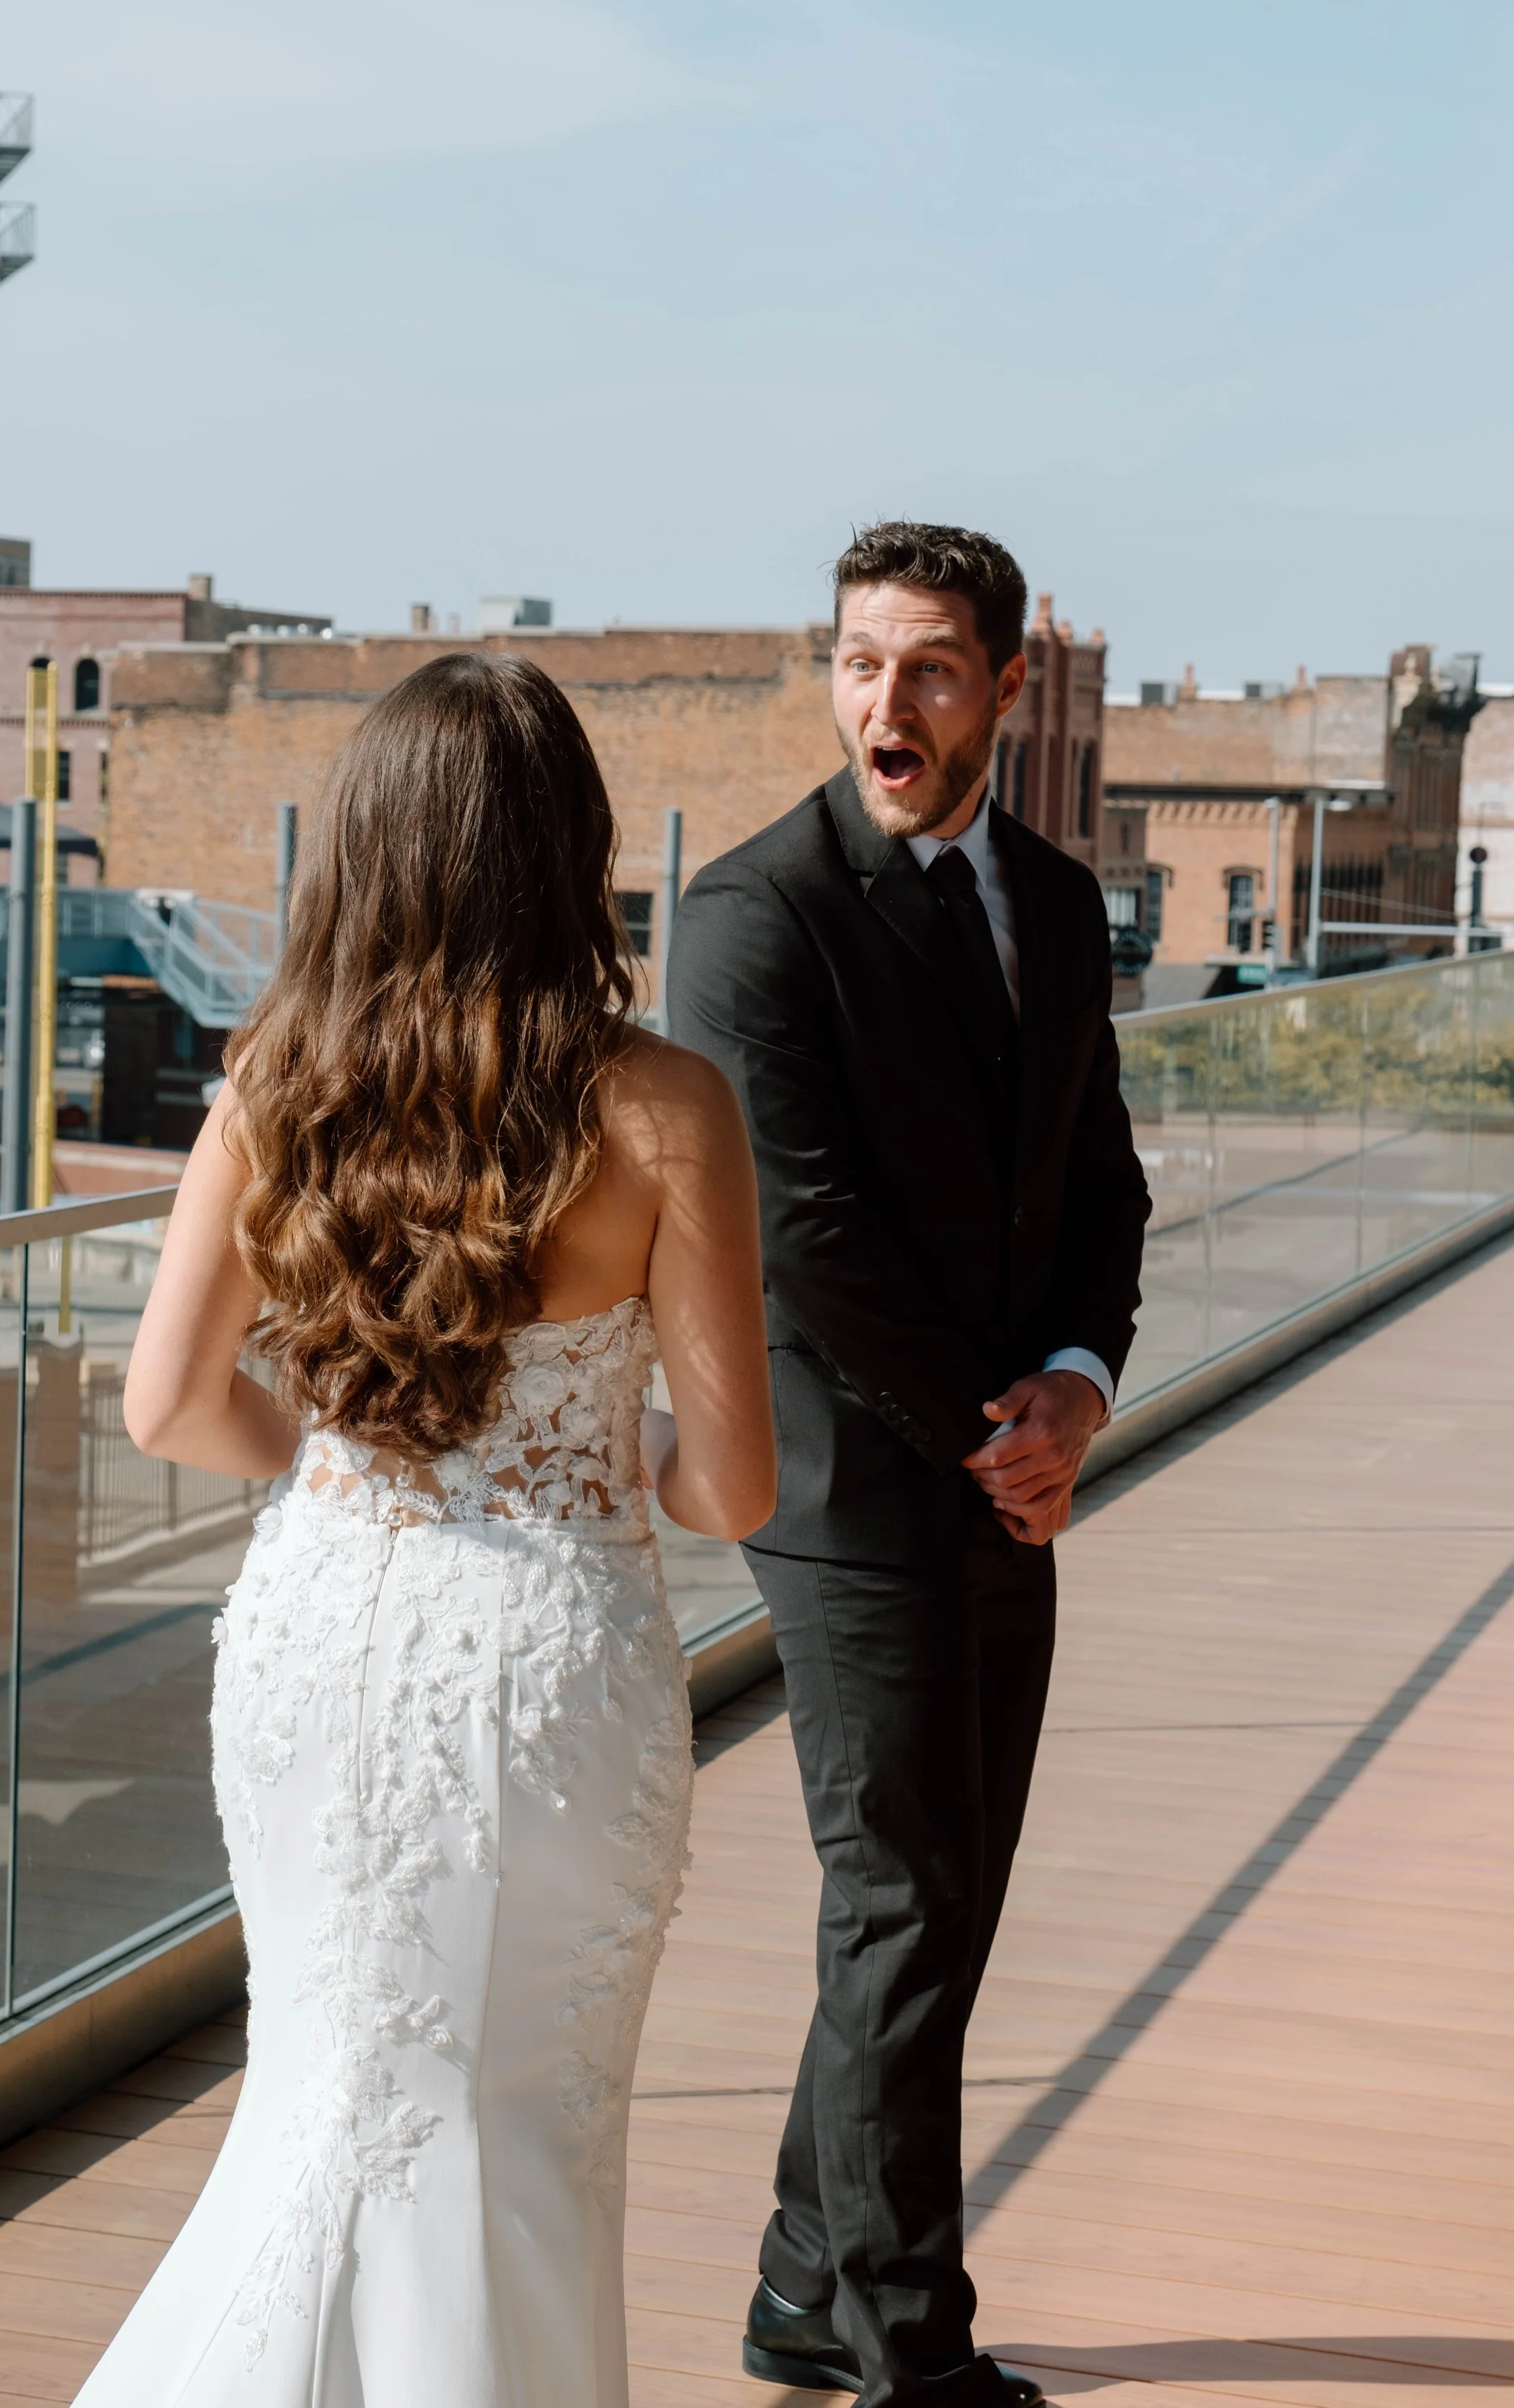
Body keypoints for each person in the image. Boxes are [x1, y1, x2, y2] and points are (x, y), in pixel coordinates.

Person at [73, 653, 775, 2408]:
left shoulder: (266, 1090)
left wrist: (353, 1450)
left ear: (362, 856)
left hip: (319, 1636)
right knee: (504, 2141)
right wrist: (590, 1464)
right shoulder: (662, 1109)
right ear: (569, 850)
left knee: (324, 2105)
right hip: (540, 1673)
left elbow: (165, 1407)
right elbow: (733, 1486)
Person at [668, 523, 1151, 2408]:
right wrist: (992, 1435)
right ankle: (904, 2347)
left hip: (1007, 1466)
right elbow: (806, 1233)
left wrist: (1078, 1390)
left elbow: (1093, 1173)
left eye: (932, 667)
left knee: (938, 1900)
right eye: (862, 662)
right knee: (897, 1891)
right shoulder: (749, 913)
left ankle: (806, 2278)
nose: (889, 702)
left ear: (1003, 687)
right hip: (849, 1483)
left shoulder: (1052, 892)